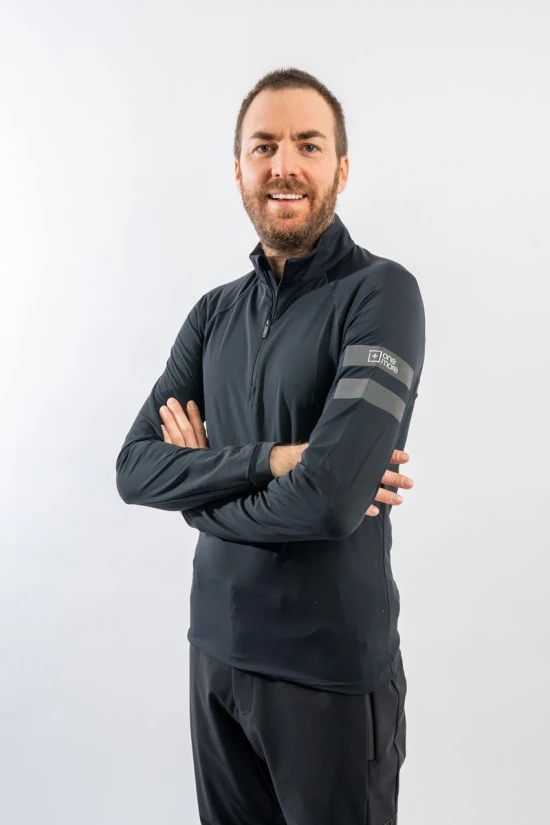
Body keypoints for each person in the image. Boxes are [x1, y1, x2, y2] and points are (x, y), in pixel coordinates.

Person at [116, 67, 426, 825]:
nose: (284, 165)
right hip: (216, 660)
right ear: (239, 170)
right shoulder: (212, 314)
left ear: (341, 169)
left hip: (330, 676)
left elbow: (328, 502)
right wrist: (273, 459)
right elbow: (134, 468)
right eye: (264, 146)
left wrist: (197, 496)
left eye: (308, 145)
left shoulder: (382, 295)